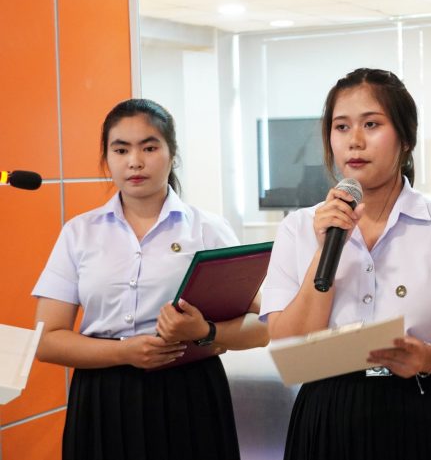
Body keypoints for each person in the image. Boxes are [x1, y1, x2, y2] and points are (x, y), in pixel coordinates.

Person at [261, 68, 431, 460]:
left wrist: (428, 357)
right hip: (327, 412)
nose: (355, 141)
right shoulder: (299, 229)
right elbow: (287, 341)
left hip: (422, 409)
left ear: (406, 139)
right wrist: (325, 250)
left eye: (372, 124)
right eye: (341, 127)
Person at [32, 99, 269, 460]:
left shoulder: (207, 229)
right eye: (121, 149)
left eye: (149, 147)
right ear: (106, 158)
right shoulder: (79, 233)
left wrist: (206, 331)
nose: (135, 161)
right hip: (102, 396)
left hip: (190, 393)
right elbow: (47, 341)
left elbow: (264, 326)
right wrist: (124, 352)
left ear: (172, 154)